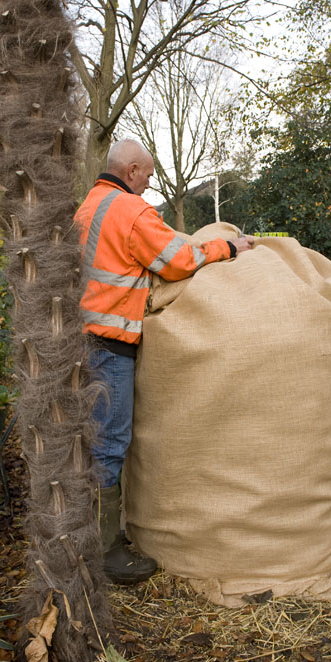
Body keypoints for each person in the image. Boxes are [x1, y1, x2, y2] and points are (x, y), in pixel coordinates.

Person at [75, 139, 254, 584]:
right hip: (109, 343)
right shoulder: (131, 211)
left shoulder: (87, 208)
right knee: (111, 444)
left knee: (90, 438)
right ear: (132, 170)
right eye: (149, 175)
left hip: (78, 342)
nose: (151, 183)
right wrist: (230, 249)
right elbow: (177, 260)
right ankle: (106, 555)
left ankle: (82, 539)